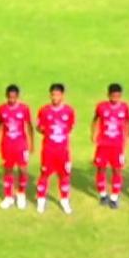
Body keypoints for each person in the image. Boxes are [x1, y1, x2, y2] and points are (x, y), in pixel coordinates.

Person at [35, 83, 76, 215]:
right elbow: (38, 127)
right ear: (50, 95)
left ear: (62, 95)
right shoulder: (44, 110)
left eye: (58, 95)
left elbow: (69, 128)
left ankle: (64, 200)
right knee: (44, 174)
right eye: (53, 95)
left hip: (63, 151)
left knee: (64, 175)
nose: (55, 97)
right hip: (48, 150)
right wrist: (42, 130)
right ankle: (41, 200)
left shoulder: (69, 111)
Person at [91, 83, 129, 209]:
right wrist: (93, 134)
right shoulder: (101, 107)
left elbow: (128, 122)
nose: (115, 98)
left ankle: (114, 197)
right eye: (113, 96)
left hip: (117, 145)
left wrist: (126, 137)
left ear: (120, 96)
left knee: (117, 170)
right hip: (103, 144)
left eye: (117, 96)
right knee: (101, 168)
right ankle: (103, 194)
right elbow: (95, 120)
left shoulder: (124, 108)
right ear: (108, 95)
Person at [0, 84, 33, 210]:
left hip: (21, 144)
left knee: (23, 170)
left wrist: (31, 143)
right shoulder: (1, 109)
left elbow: (29, 126)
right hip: (7, 144)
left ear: (17, 97)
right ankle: (8, 196)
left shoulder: (24, 109)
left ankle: (21, 194)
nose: (12, 100)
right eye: (10, 97)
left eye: (14, 98)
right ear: (7, 96)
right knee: (8, 170)